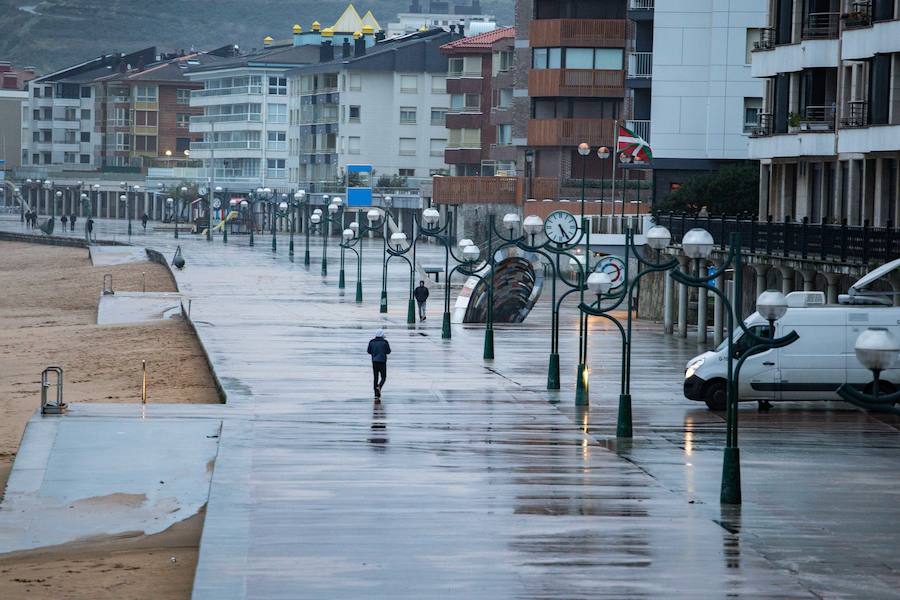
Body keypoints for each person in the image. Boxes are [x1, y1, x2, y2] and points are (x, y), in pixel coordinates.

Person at [366, 328, 391, 399]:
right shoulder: (385, 342)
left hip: (374, 361)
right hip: (382, 361)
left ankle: (376, 394)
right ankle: (379, 386)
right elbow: (388, 351)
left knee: (375, 378)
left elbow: (369, 351)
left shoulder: (371, 342)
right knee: (383, 377)